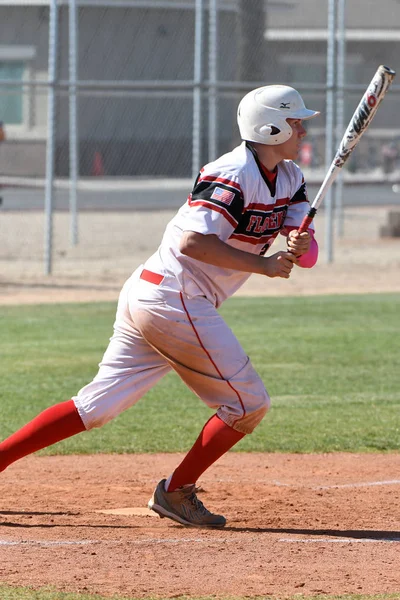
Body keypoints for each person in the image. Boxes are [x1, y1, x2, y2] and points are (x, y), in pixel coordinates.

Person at [0, 85, 320, 528]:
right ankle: (175, 491)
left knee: (95, 407)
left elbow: (305, 254)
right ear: (271, 127)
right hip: (174, 296)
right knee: (248, 404)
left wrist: (301, 244)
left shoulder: (289, 177)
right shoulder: (231, 172)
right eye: (296, 121)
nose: (302, 128)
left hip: (158, 296)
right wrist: (262, 266)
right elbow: (192, 242)